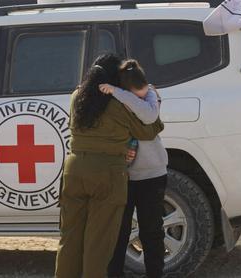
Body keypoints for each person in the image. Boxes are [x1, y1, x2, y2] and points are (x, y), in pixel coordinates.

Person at [55, 54, 164, 278]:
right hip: (106, 172)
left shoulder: (77, 95)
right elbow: (148, 129)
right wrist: (153, 100)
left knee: (70, 237)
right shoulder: (117, 103)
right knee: (99, 241)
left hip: (74, 169)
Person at [99, 59, 168, 278]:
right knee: (119, 232)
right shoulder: (117, 100)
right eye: (134, 94)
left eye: (142, 92)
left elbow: (148, 115)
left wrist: (120, 93)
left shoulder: (150, 95)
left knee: (152, 232)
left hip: (152, 175)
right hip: (125, 175)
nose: (140, 96)